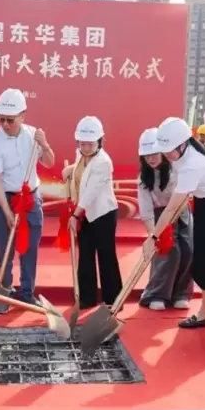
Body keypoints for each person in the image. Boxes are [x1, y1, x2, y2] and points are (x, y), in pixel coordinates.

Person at [144, 117, 205, 329]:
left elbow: (171, 207)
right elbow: (179, 201)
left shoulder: (192, 165)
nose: (166, 155)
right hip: (204, 204)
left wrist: (153, 236)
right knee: (204, 259)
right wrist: (160, 230)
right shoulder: (182, 155)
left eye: (169, 150)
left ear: (183, 144)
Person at [0, 88, 55, 306]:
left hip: (30, 199)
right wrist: (7, 212)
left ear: (23, 116)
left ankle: (27, 293)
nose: (5, 124)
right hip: (5, 198)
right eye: (0, 119)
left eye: (10, 120)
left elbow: (49, 162)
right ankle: (4, 292)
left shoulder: (33, 136)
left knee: (30, 247)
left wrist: (45, 145)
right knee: (4, 248)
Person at [61, 116, 122, 308]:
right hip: (84, 214)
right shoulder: (80, 153)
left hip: (103, 213)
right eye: (82, 143)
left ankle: (113, 299)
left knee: (106, 255)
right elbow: (82, 169)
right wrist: (71, 169)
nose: (86, 148)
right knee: (85, 255)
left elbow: (91, 192)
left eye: (90, 144)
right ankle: (86, 298)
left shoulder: (104, 162)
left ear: (99, 141)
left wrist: (75, 215)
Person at [136, 128, 194, 311]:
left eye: (154, 154)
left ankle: (181, 294)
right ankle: (156, 294)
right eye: (147, 155)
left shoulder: (177, 168)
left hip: (181, 210)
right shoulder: (143, 179)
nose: (151, 159)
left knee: (187, 250)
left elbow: (184, 194)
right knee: (168, 252)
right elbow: (146, 211)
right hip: (159, 216)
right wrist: (153, 235)